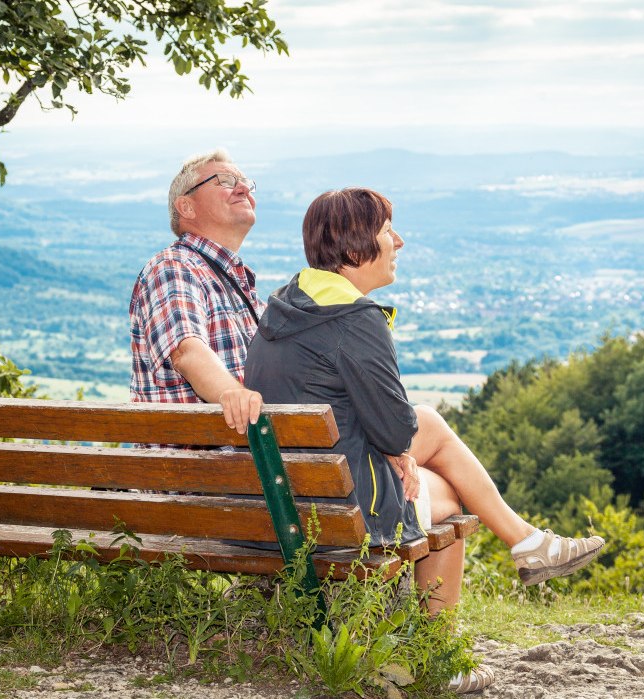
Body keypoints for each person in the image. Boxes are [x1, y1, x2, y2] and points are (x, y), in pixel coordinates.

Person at [243, 188, 606, 620]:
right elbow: (395, 429)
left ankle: (528, 543)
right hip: (338, 511)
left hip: (278, 496)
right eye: (388, 231)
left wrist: (397, 451)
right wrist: (398, 451)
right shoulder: (353, 319)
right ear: (357, 245)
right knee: (450, 496)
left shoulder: (286, 304)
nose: (398, 242)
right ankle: (441, 648)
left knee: (429, 422)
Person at [129, 149, 264, 431]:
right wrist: (233, 393)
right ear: (186, 207)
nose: (242, 188)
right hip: (194, 468)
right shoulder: (173, 266)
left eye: (245, 183)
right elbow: (186, 351)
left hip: (235, 463)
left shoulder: (237, 281)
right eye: (224, 181)